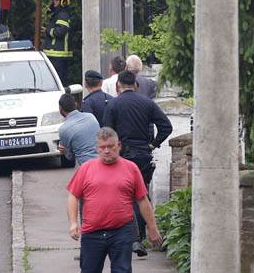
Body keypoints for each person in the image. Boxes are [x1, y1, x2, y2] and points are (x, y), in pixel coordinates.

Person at [67, 127, 163, 273]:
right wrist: (73, 223)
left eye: (111, 146)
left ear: (118, 146)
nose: (107, 150)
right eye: (102, 147)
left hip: (121, 232)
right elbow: (73, 196)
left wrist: (152, 227)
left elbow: (142, 200)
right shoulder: (86, 169)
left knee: (122, 270)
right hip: (92, 233)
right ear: (97, 148)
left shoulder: (131, 168)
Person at [103, 70, 173, 257]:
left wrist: (110, 154)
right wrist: (154, 144)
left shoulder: (113, 105)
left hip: (122, 157)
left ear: (118, 86)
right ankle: (139, 237)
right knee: (141, 195)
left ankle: (127, 237)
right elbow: (167, 127)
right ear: (136, 85)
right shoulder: (147, 103)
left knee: (121, 196)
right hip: (142, 155)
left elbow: (107, 133)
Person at [43, 0, 74, 85]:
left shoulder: (63, 15)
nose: (54, 2)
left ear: (63, 2)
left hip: (58, 55)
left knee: (58, 82)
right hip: (55, 55)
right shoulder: (58, 14)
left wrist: (47, 30)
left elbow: (60, 32)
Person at [57, 93, 99, 166]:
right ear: (76, 104)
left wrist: (64, 151)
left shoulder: (63, 129)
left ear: (60, 109)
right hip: (102, 159)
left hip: (86, 166)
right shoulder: (91, 117)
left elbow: (70, 157)